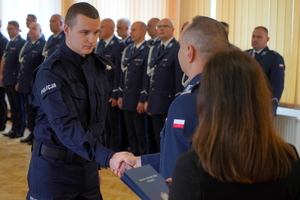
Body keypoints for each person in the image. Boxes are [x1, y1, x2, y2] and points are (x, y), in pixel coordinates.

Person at [27, 3, 133, 199]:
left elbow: (96, 122)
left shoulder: (97, 65)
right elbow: (66, 126)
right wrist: (107, 157)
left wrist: (95, 166)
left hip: (87, 168)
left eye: (96, 32)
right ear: (66, 29)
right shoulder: (50, 73)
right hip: (54, 172)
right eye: (85, 32)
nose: (92, 39)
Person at [169, 49, 300, 200]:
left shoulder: (192, 166)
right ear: (261, 97)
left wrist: (185, 186)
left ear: (208, 100)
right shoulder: (289, 158)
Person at [116, 16, 229, 179]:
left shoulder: (187, 102)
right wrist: (139, 161)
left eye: (180, 46)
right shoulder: (232, 90)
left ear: (189, 52)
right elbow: (190, 156)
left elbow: (174, 168)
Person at [142, 18, 184, 152]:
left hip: (168, 102)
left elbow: (179, 79)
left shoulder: (177, 48)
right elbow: (151, 76)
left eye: (165, 26)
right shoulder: (155, 49)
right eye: (159, 26)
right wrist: (148, 99)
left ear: (172, 29)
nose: (161, 29)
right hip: (155, 101)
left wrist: (177, 102)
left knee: (168, 138)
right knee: (156, 137)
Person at [118, 21, 150, 156]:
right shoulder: (129, 50)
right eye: (131, 30)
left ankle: (142, 157)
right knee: (130, 131)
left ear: (143, 31)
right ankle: (133, 155)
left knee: (141, 132)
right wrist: (120, 95)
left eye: (134, 30)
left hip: (138, 98)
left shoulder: (148, 50)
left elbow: (146, 78)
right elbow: (123, 74)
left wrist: (143, 99)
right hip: (127, 97)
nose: (130, 32)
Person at [95, 18, 126, 151]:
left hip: (111, 90)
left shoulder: (119, 45)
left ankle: (115, 149)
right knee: (103, 122)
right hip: (100, 90)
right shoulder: (99, 44)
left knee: (114, 124)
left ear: (110, 29)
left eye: (102, 27)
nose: (99, 30)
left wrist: (116, 93)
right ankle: (106, 148)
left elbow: (119, 72)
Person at [246, 26, 285, 115]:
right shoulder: (244, 55)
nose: (255, 39)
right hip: (244, 106)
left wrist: (271, 108)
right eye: (253, 36)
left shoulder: (274, 58)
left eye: (259, 37)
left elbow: (277, 85)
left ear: (267, 39)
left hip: (262, 106)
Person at [18, 22, 45, 145]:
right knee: (28, 110)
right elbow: (22, 64)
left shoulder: (43, 45)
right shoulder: (28, 44)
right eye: (30, 29)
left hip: (35, 85)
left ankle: (37, 136)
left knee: (36, 112)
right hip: (25, 84)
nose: (30, 31)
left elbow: (42, 68)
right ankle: (31, 133)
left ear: (40, 31)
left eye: (34, 29)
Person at [1, 21, 26, 138]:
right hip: (8, 78)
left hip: (15, 79)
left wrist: (18, 81)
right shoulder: (10, 43)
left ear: (17, 29)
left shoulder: (21, 43)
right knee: (13, 106)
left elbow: (20, 64)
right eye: (8, 29)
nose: (9, 31)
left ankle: (19, 130)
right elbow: (5, 59)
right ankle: (14, 128)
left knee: (18, 106)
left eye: (11, 29)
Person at [0, 19, 8, 131]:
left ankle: (2, 123)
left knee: (0, 100)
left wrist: (0, 74)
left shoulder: (3, 40)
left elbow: (3, 58)